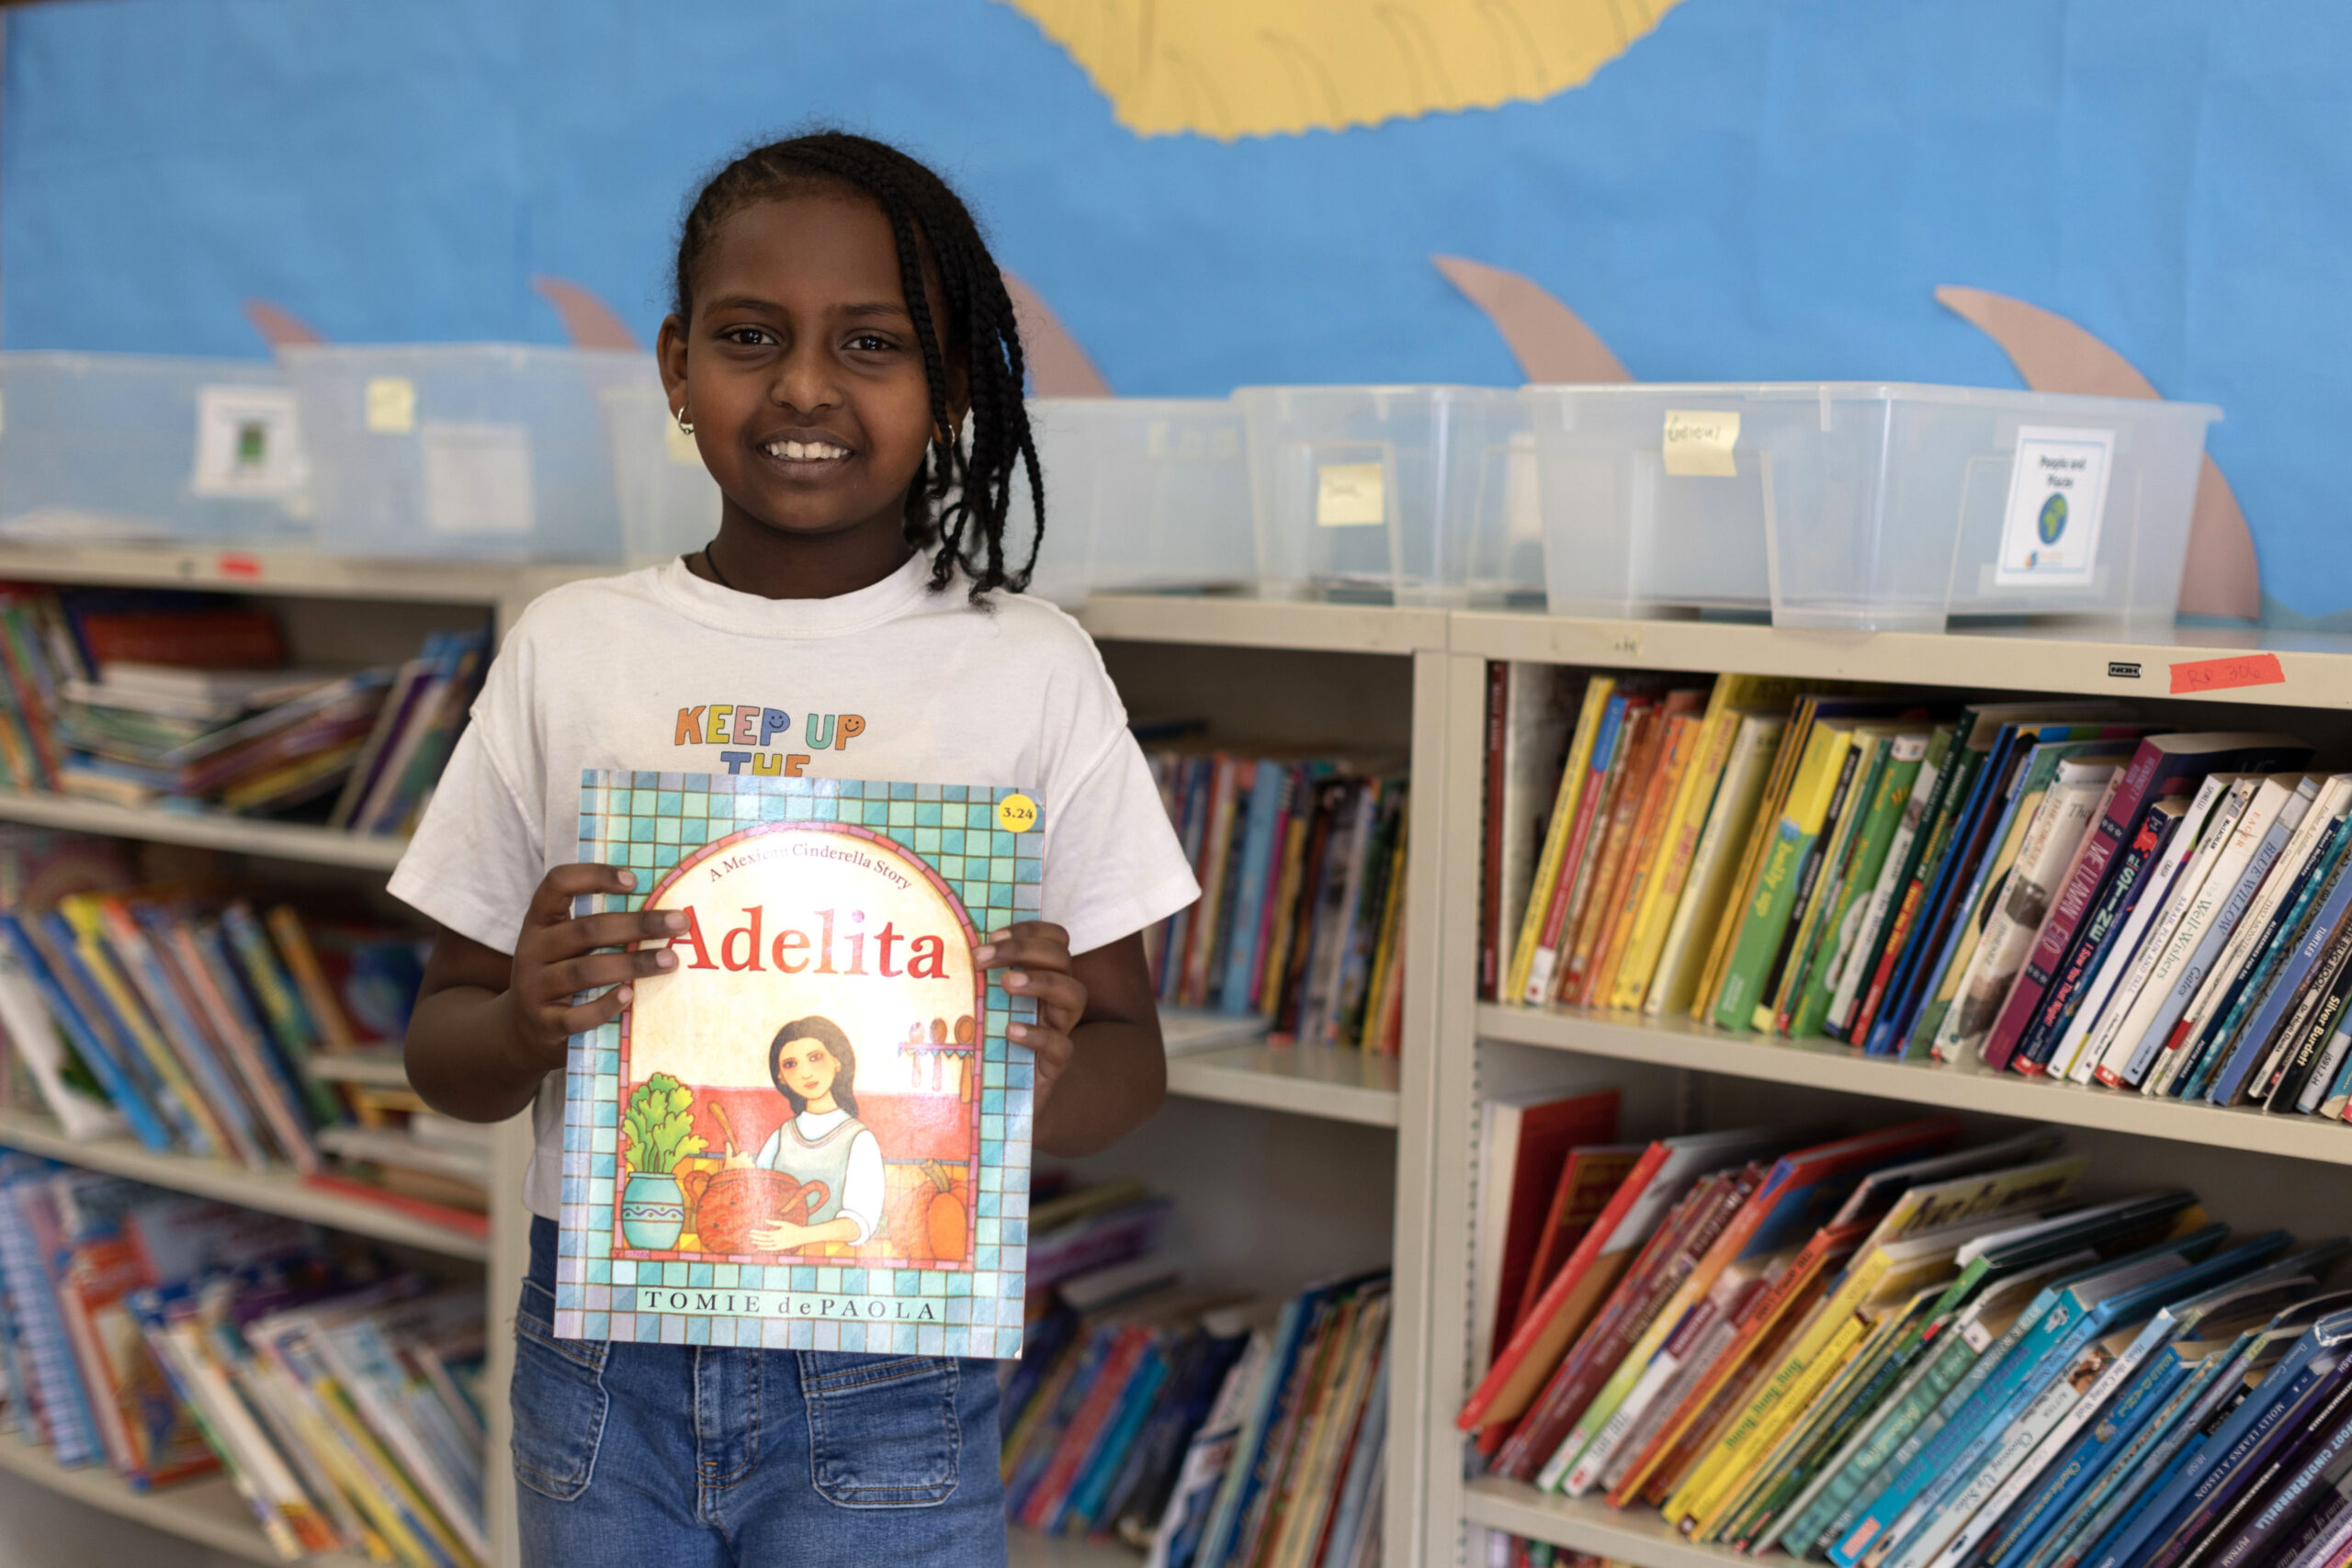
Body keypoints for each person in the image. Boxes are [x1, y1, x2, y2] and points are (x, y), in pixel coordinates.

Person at [393, 130, 1198, 1565]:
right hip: (604, 1356)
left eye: (872, 343)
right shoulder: (572, 648)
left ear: (951, 387)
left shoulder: (1031, 668)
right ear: (672, 365)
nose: (806, 386)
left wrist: (1048, 1068)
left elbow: (1131, 1064)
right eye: (751, 336)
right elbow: (441, 1046)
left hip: (893, 1361)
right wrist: (525, 1016)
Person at [745, 1015, 884, 1254]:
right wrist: (737, 1173)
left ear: (837, 1061)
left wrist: (801, 1236)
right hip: (776, 1258)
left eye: (815, 1057)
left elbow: (860, 1224)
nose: (805, 1073)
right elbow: (756, 1199)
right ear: (781, 1076)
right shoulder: (782, 1136)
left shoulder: (859, 1139)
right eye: (791, 1064)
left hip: (835, 1263)